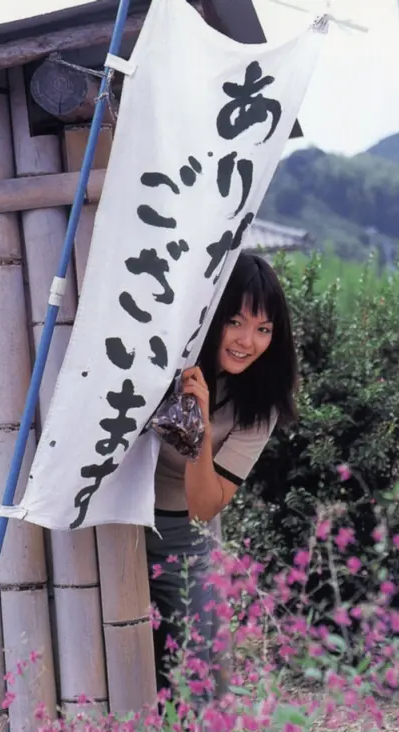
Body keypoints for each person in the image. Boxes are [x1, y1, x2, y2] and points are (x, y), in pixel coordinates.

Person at [145, 250, 298, 699]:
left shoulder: (262, 402)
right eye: (236, 322)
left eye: (264, 329)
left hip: (182, 535)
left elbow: (204, 507)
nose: (247, 341)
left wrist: (201, 427)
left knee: (194, 675)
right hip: (113, 523)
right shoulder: (166, 359)